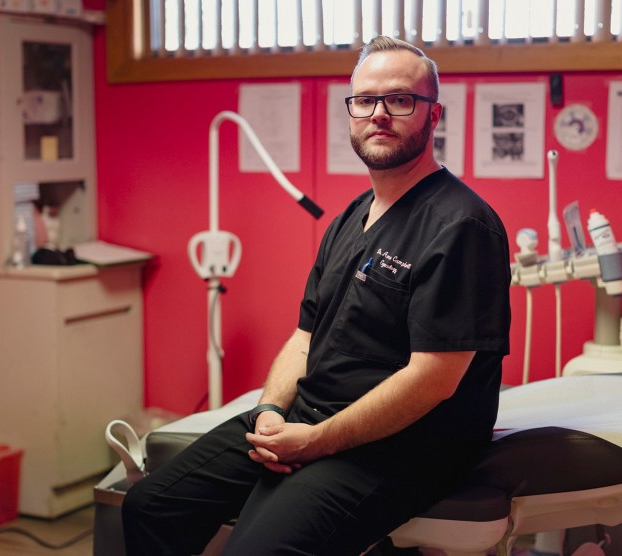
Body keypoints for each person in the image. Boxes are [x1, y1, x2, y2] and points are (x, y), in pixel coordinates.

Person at [122, 35, 511, 555]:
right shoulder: (351, 218)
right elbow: (305, 337)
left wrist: (314, 442)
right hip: (309, 418)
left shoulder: (461, 225)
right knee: (151, 506)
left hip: (400, 446)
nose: (379, 114)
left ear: (432, 115)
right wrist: (270, 413)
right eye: (365, 100)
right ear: (350, 112)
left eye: (399, 100)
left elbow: (431, 382)